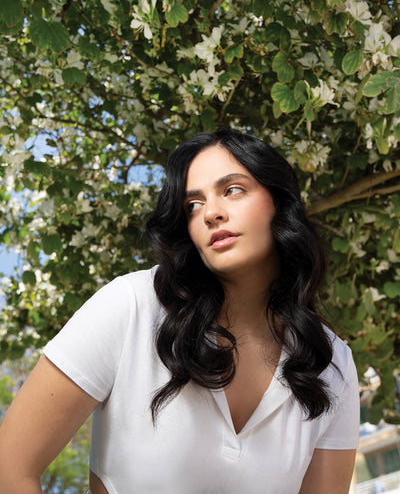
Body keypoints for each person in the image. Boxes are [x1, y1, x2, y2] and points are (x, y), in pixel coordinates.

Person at [0, 129, 359, 493]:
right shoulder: (132, 306)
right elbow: (9, 467)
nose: (212, 213)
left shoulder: (333, 364)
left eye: (233, 190)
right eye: (193, 205)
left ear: (279, 203)